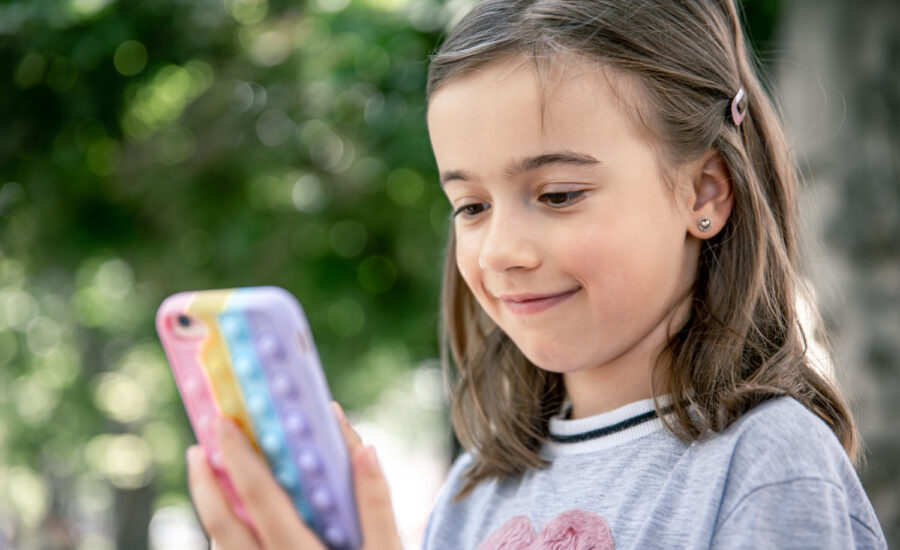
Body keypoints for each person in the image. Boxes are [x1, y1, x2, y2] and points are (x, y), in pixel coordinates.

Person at [186, 0, 888, 548]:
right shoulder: (474, 492)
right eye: (470, 206)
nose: (500, 252)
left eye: (557, 195)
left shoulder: (767, 462)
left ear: (704, 193)